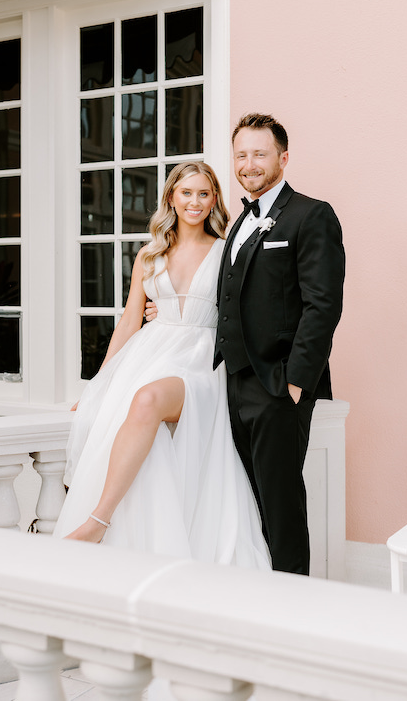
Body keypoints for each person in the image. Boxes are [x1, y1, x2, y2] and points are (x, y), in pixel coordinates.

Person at [148, 113, 345, 575]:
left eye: (260, 154)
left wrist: (295, 382)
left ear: (283, 157)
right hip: (229, 384)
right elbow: (223, 296)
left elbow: (323, 306)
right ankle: (257, 601)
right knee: (245, 503)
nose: (250, 164)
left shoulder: (311, 215)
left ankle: (292, 604)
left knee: (280, 505)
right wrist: (167, 310)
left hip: (278, 387)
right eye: (241, 155)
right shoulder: (236, 223)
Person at [53, 162, 270, 570]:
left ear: (214, 200)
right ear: (171, 196)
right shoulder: (149, 255)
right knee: (132, 412)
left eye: (204, 194)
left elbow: (243, 313)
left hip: (204, 359)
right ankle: (138, 541)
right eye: (186, 192)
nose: (195, 202)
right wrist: (98, 384)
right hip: (151, 352)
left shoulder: (227, 250)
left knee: (148, 399)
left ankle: (99, 519)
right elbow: (129, 321)